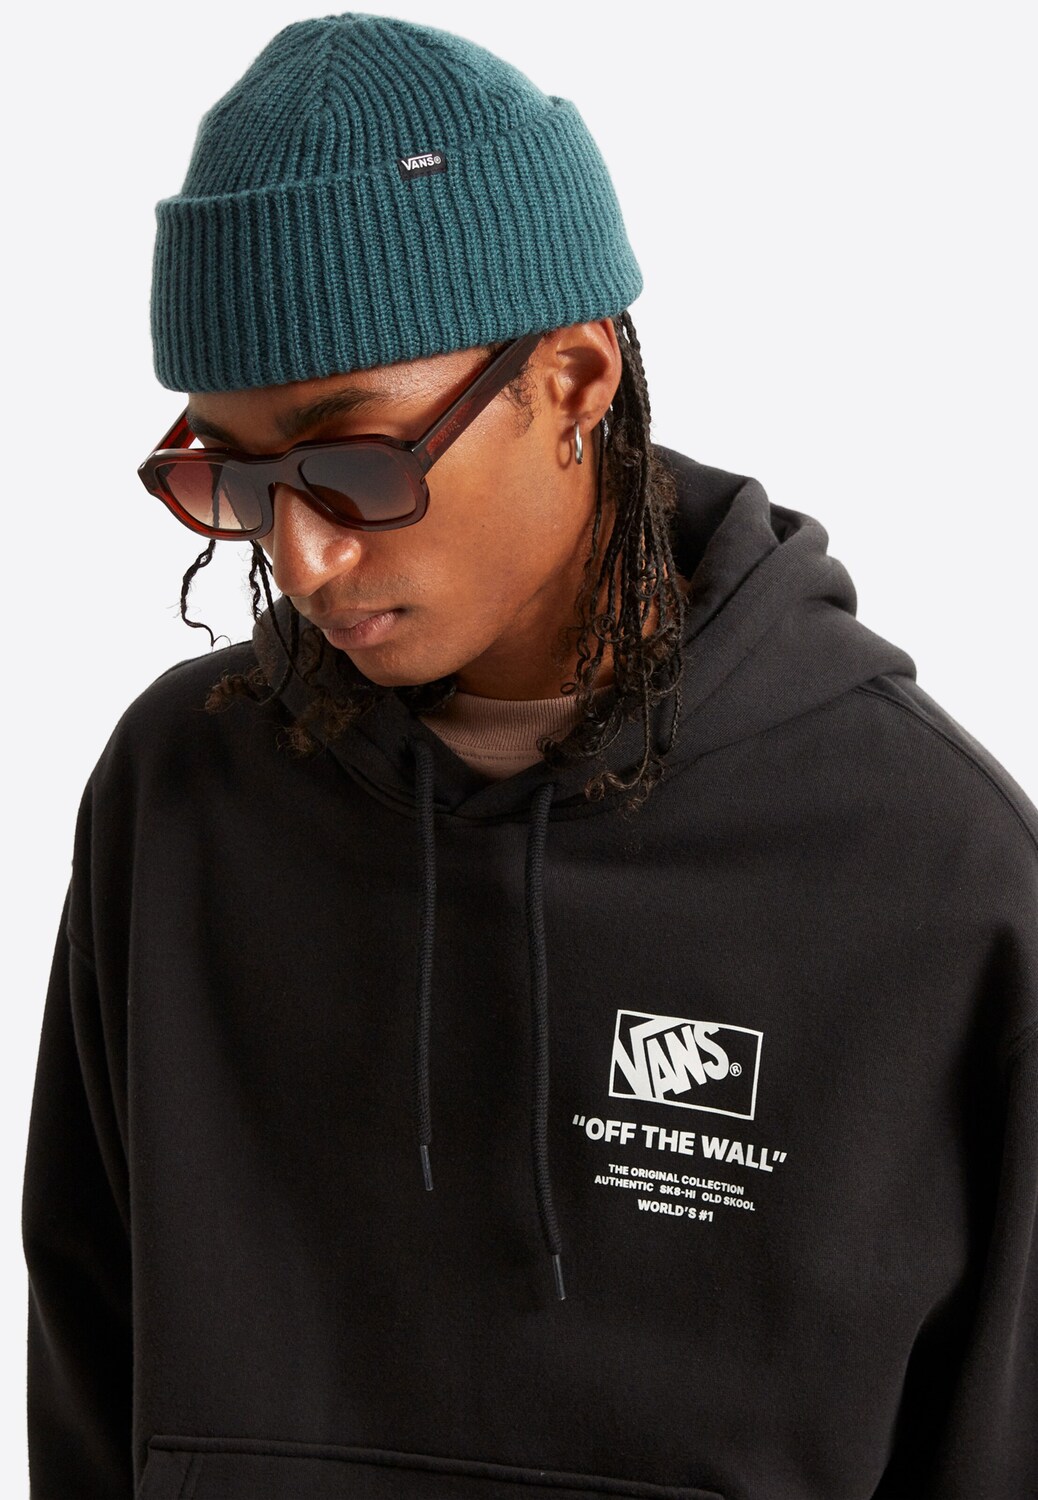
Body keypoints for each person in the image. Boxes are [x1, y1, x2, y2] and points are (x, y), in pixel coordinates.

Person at [21, 13, 1037, 1500]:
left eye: (355, 465)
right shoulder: (182, 791)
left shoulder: (928, 869)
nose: (300, 558)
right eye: (233, 478)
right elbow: (87, 1377)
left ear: (571, 376)